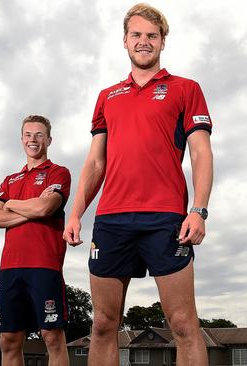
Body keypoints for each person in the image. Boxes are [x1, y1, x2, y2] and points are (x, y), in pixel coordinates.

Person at [63, 4, 213, 365]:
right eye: (136, 35)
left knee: (182, 324)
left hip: (165, 219)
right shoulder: (107, 96)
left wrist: (199, 209)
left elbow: (200, 153)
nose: (143, 41)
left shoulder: (186, 89)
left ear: (162, 42)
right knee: (102, 325)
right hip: (112, 220)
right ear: (125, 41)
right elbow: (95, 162)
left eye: (151, 35)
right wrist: (75, 213)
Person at [0, 115, 71, 366]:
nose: (33, 140)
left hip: (44, 266)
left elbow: (45, 209)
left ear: (49, 139)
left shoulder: (59, 172)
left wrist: (10, 205)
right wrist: (31, 208)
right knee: (9, 339)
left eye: (39, 135)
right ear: (21, 139)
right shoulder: (10, 180)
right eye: (28, 134)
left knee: (52, 336)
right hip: (10, 268)